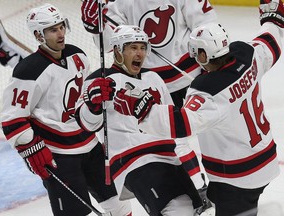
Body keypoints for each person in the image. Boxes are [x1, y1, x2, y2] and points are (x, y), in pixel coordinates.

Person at [112, 0, 283, 215]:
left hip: (238, 177)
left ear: (203, 55)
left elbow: (181, 123)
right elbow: (270, 41)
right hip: (266, 160)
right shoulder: (248, 54)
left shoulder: (208, 91)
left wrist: (141, 109)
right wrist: (272, 19)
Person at [0, 3, 131, 216]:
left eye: (62, 26)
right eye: (53, 30)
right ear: (38, 35)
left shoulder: (78, 56)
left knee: (119, 204)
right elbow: (12, 119)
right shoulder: (28, 72)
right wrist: (31, 147)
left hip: (90, 144)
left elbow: (83, 99)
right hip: (59, 155)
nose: (61, 33)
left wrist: (96, 101)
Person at [81, 0, 216, 200]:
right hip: (151, 82)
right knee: (175, 140)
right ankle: (198, 187)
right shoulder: (121, 3)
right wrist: (96, 28)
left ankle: (215, 182)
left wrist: (209, 60)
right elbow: (111, 44)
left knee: (210, 131)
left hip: (191, 77)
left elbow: (205, 26)